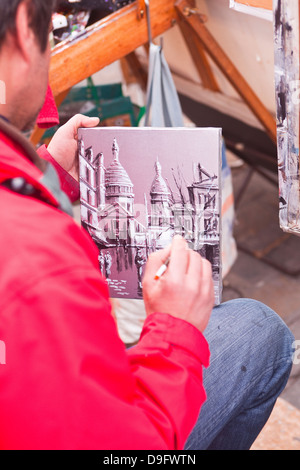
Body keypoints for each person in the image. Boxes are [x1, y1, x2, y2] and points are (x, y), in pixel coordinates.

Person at [0, 0, 294, 450]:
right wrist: (175, 329)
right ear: (25, 27)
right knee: (260, 330)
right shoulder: (41, 262)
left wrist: (51, 173)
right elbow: (120, 446)